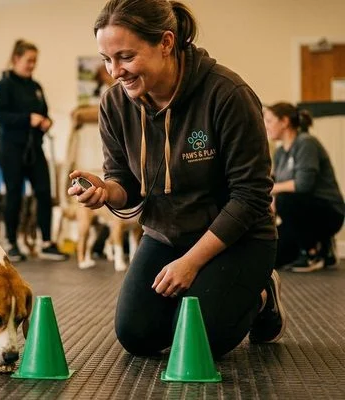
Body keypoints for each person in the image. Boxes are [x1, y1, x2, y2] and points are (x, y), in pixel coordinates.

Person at [68, 0, 285, 358]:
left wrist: (192, 262)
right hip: (166, 235)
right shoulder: (113, 105)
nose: (115, 71)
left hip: (238, 239)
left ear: (166, 42)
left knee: (201, 339)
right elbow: (126, 182)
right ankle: (206, 294)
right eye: (107, 59)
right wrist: (107, 191)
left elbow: (251, 196)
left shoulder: (227, 94)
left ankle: (263, 295)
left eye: (125, 57)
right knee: (136, 336)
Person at [0, 39, 68, 262]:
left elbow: (42, 113)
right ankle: (12, 243)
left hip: (35, 148)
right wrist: (27, 119)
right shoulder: (3, 85)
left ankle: (46, 243)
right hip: (10, 149)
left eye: (35, 61)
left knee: (44, 192)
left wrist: (46, 122)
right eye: (29, 60)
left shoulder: (36, 87)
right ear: (16, 59)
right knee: (14, 194)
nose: (32, 65)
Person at [264, 102, 344, 272]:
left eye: (269, 121)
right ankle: (323, 247)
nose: (266, 125)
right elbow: (274, 183)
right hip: (301, 213)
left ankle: (311, 252)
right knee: (274, 255)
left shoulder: (306, 143)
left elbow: (303, 184)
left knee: (285, 200)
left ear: (284, 121)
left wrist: (272, 191)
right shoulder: (280, 153)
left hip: (329, 212)